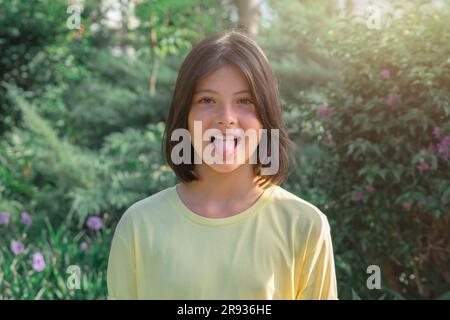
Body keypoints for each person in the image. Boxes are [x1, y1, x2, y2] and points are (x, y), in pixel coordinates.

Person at [107, 30, 338, 300]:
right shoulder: (138, 226)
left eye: (244, 101)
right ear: (184, 115)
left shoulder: (305, 225)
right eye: (207, 100)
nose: (226, 118)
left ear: (266, 115)